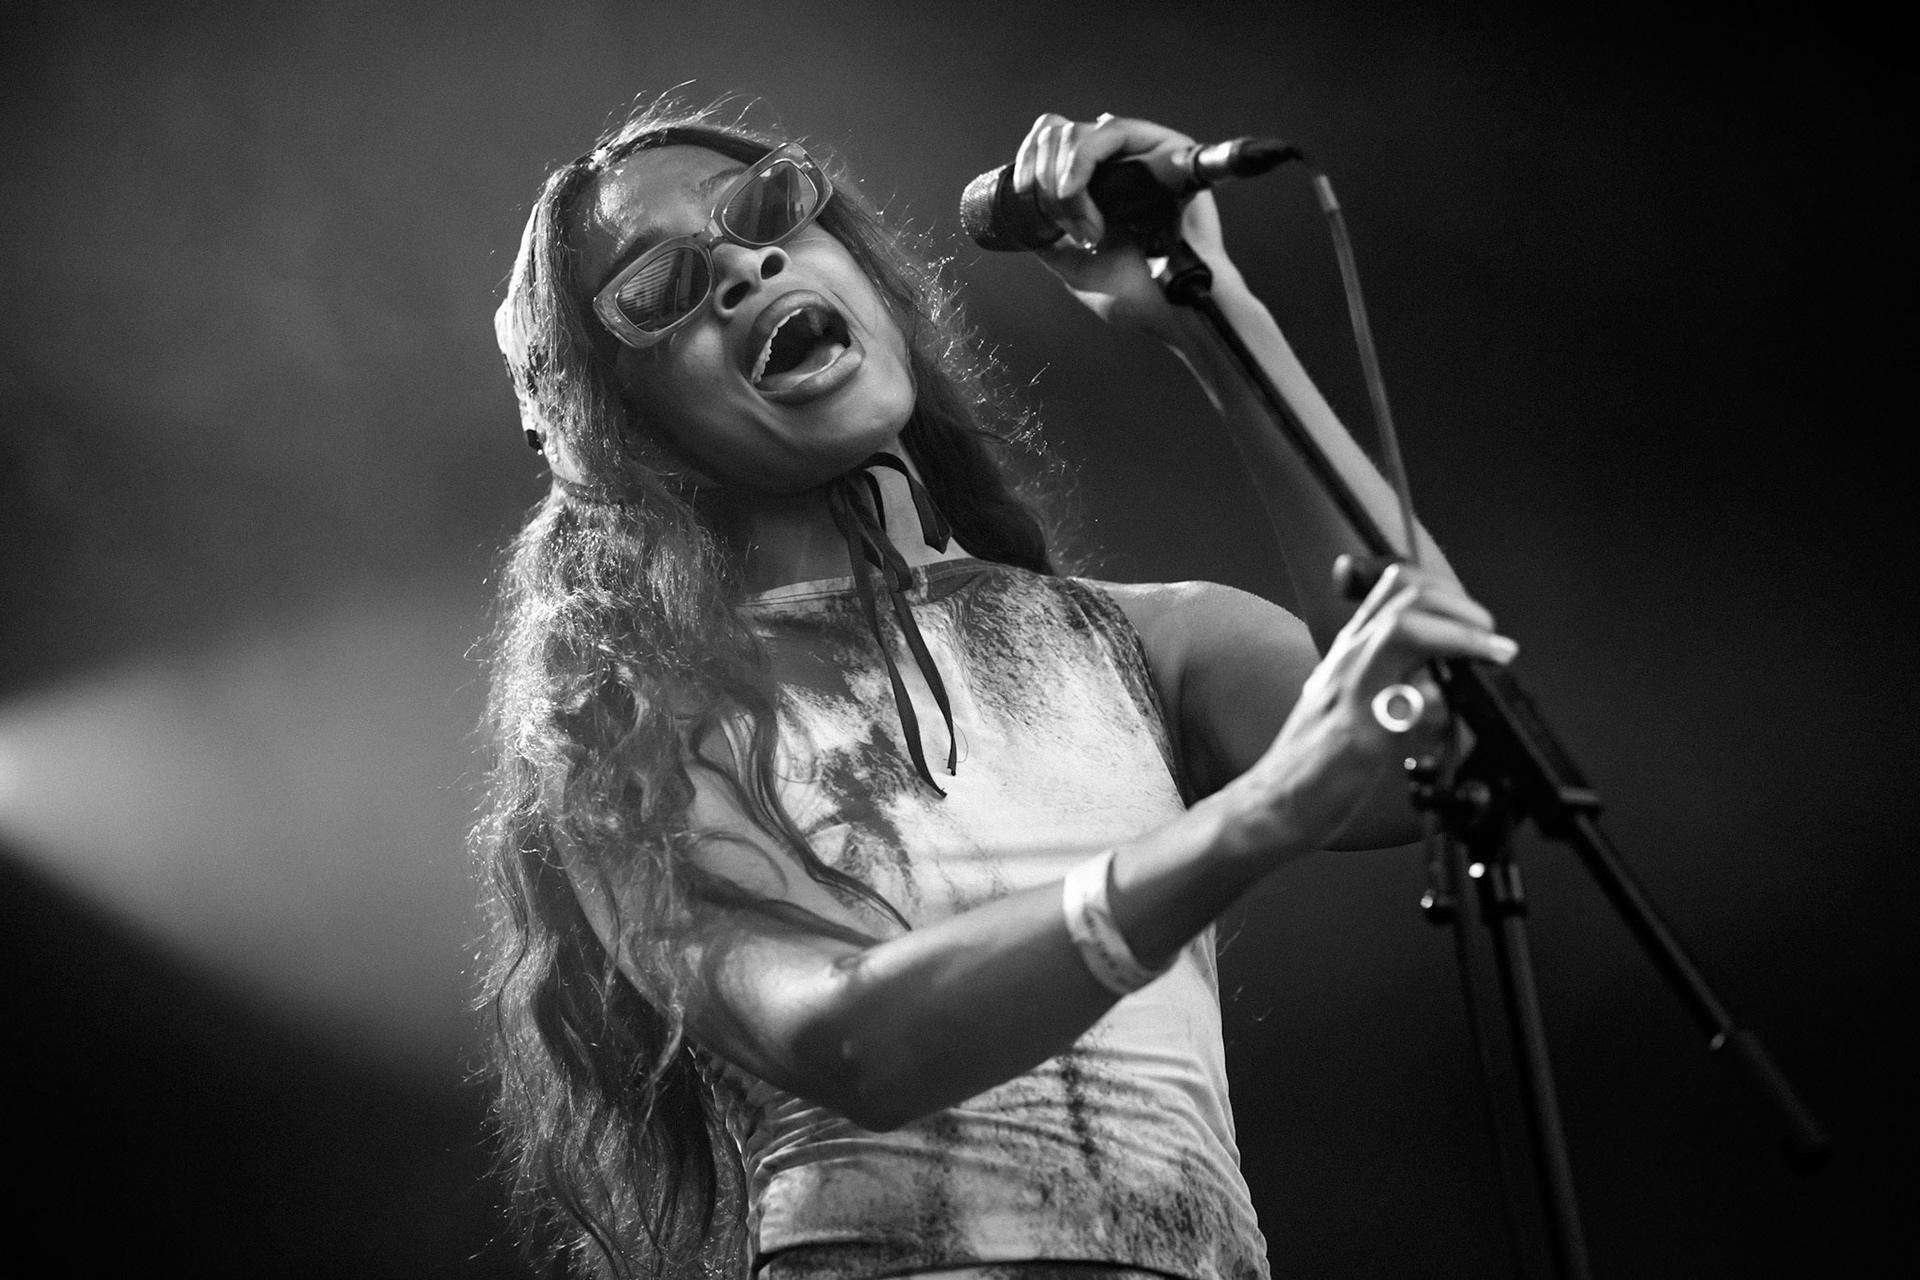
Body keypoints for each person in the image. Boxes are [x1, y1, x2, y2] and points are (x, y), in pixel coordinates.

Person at [476, 96, 1515, 1280]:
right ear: (607, 427)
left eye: (769, 211)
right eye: (659, 287)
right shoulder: (631, 738)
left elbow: (1445, 750)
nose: (743, 265)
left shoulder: (1149, 641)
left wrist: (1208, 310)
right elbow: (852, 1041)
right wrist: (1257, 813)